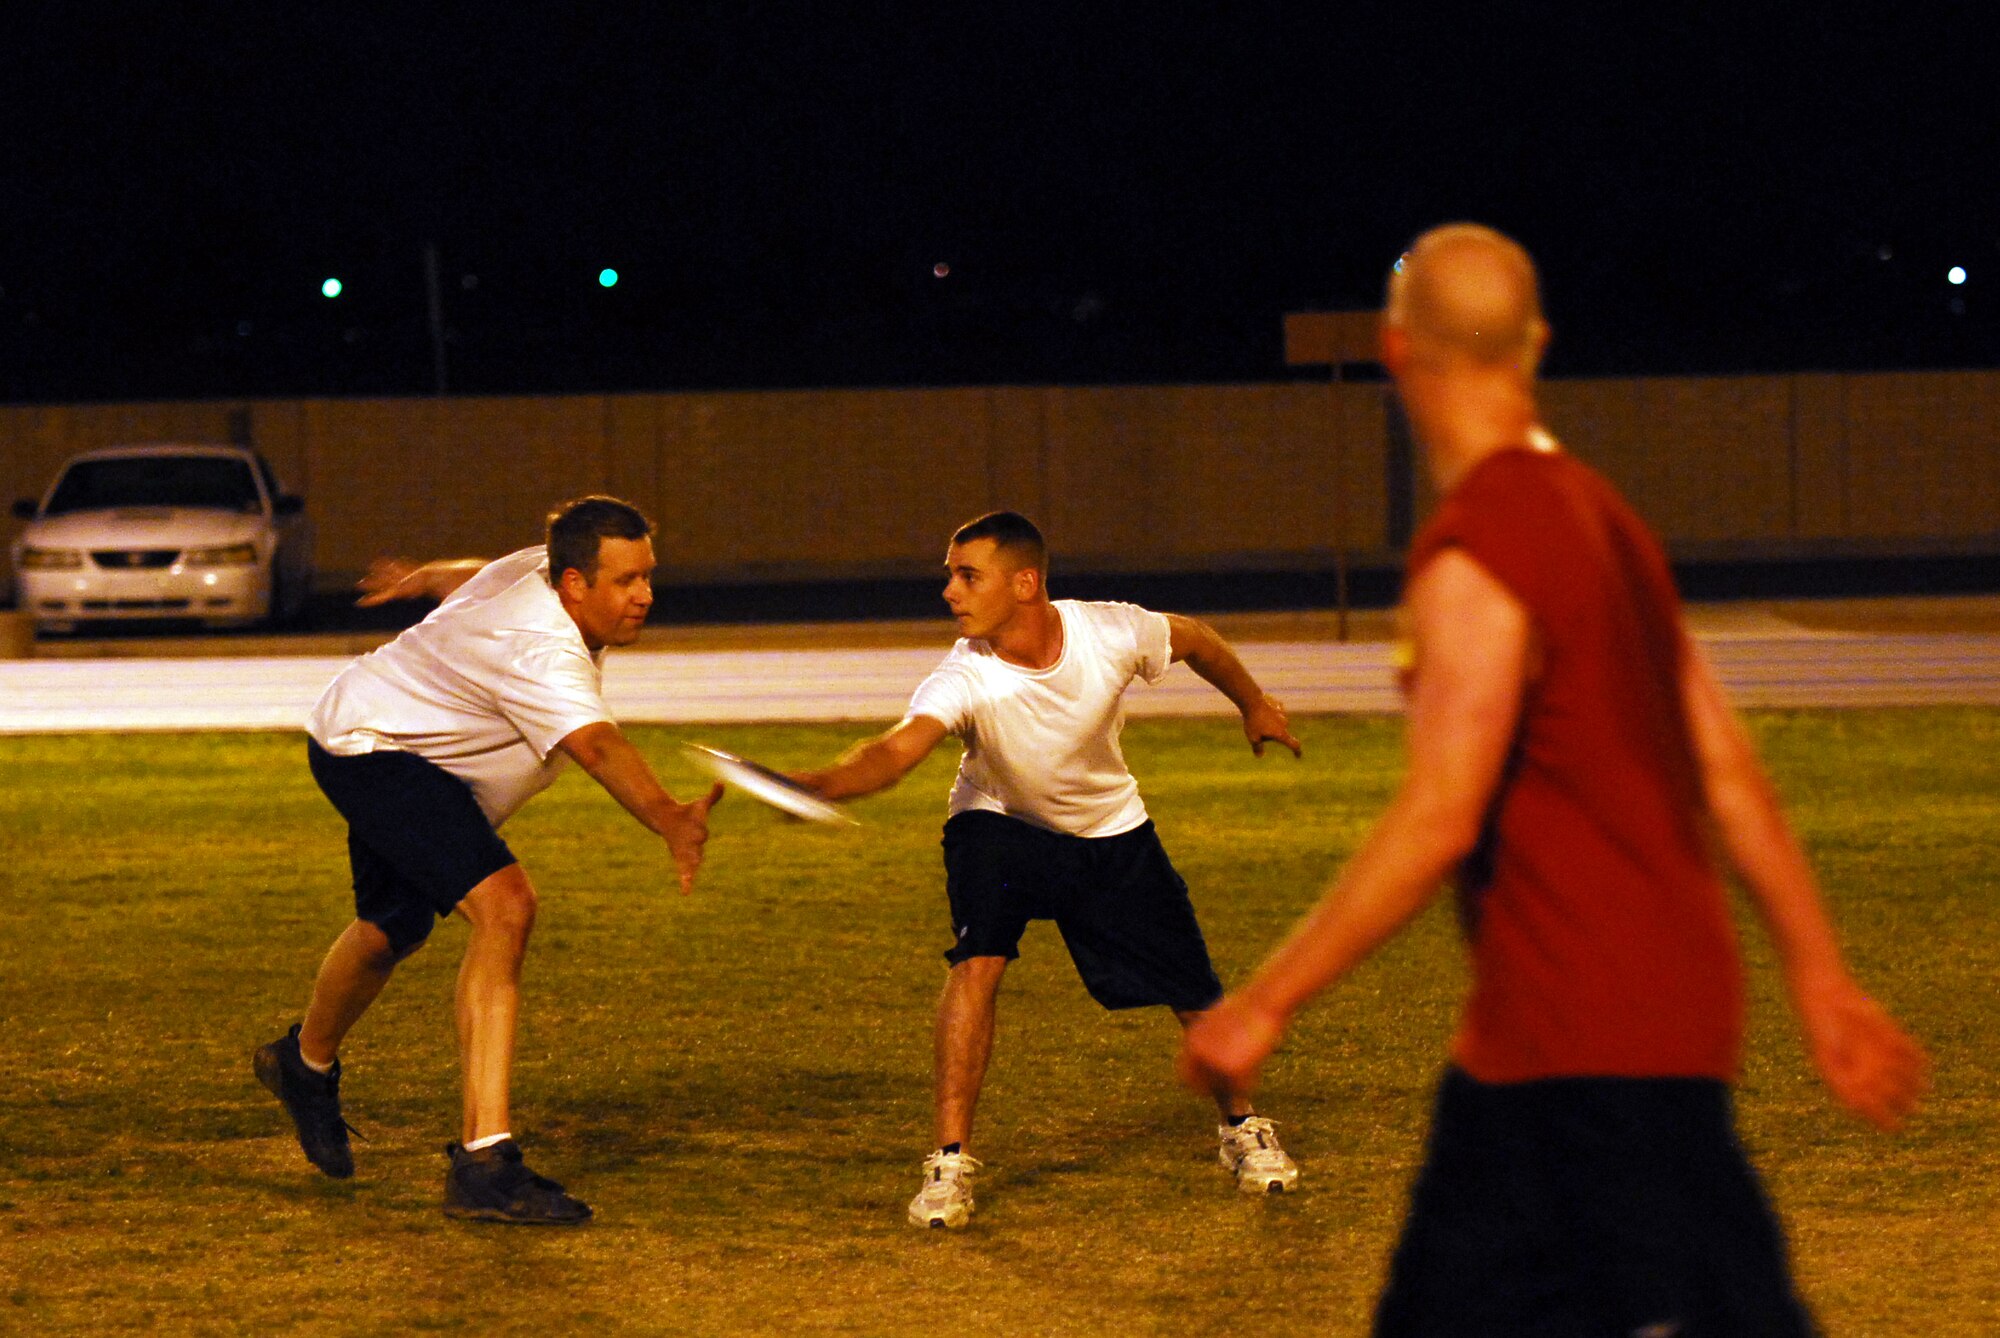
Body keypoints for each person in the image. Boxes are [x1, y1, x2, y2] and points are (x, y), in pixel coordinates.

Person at [1179, 225, 1930, 1333]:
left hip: (1571, 1055)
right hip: (1631, 1035)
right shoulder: (1605, 519)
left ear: (1394, 352)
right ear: (1533, 342)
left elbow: (1440, 815)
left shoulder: (1477, 550)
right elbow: (1724, 767)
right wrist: (1818, 980)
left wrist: (1259, 1003)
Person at [795, 510, 1306, 1230]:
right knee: (978, 959)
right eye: (950, 574)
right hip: (998, 823)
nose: (948, 590)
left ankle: (1242, 1127)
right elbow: (897, 749)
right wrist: (825, 782)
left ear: (1025, 583)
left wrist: (1254, 702)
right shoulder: (963, 673)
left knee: (1191, 987)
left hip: (1107, 829)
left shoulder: (1111, 631)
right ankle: (948, 1162)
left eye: (967, 575)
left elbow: (1196, 639)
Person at [254, 495, 723, 1225]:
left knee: (391, 928)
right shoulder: (541, 648)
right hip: (377, 747)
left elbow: (474, 572)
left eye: (647, 575)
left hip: (396, 738)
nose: (645, 596)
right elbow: (596, 746)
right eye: (626, 581)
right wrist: (668, 816)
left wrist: (424, 578)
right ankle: (484, 1162)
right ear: (574, 584)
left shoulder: (540, 567)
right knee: (506, 906)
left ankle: (301, 1063)